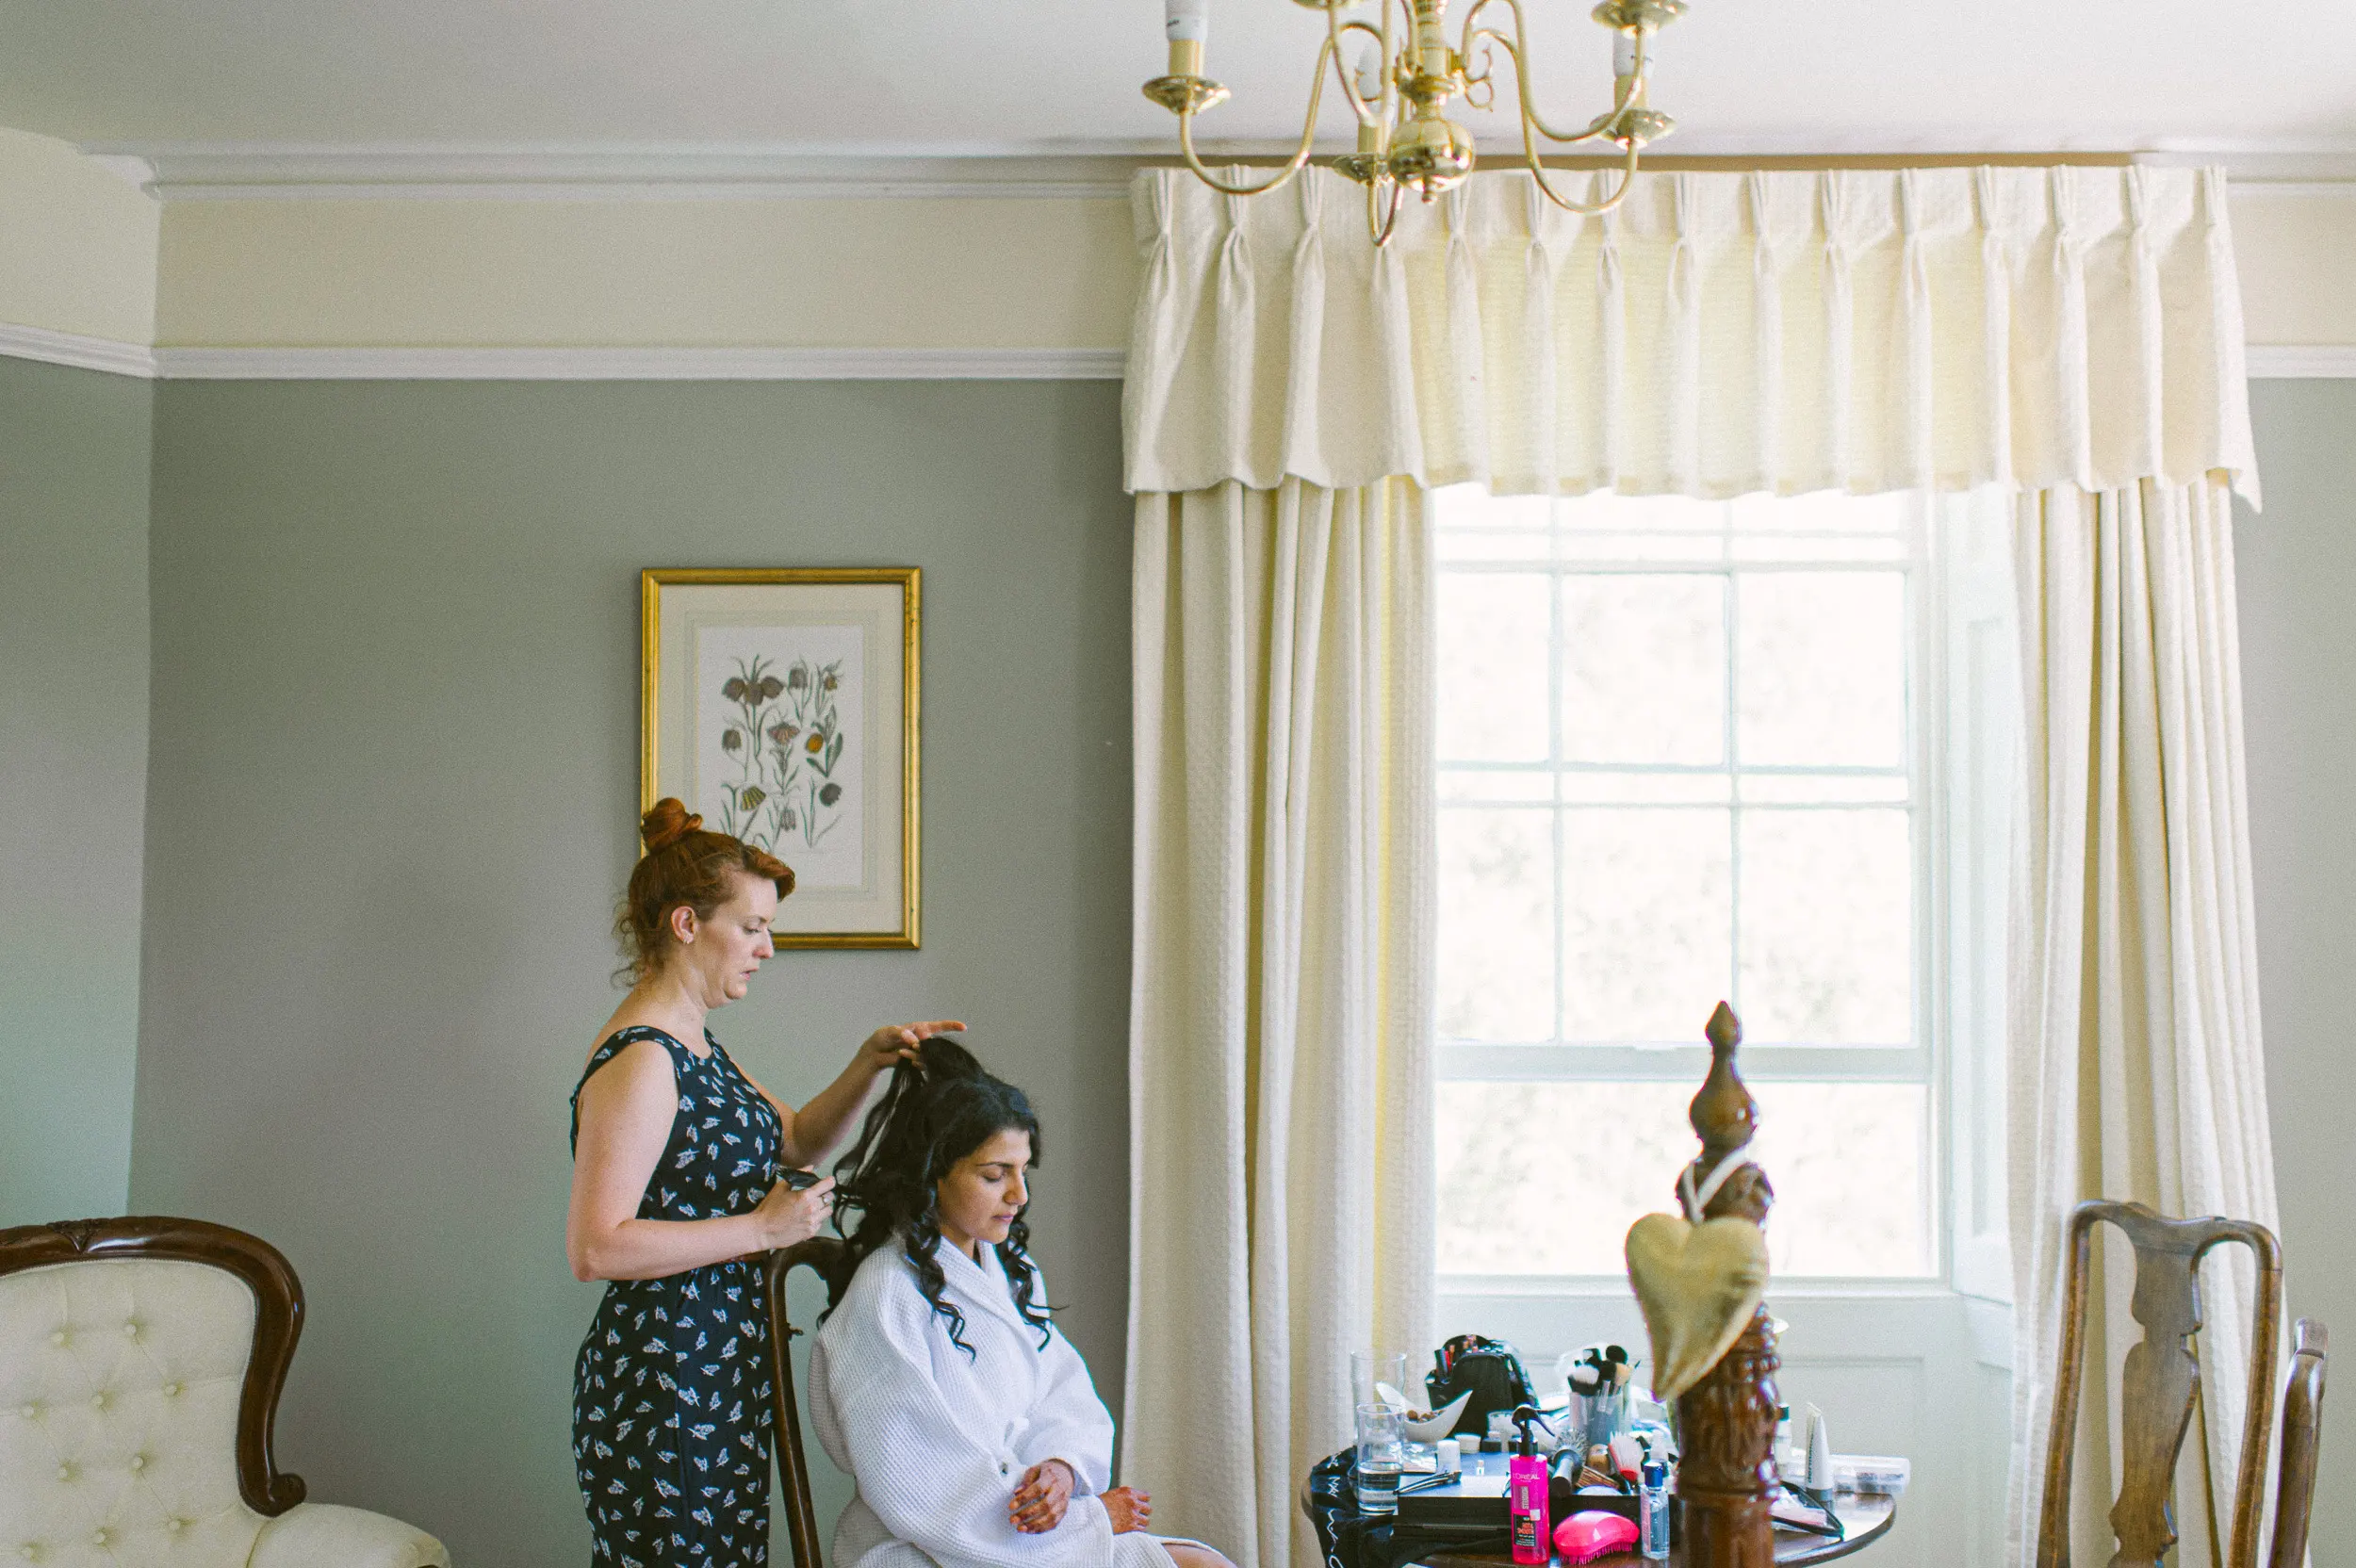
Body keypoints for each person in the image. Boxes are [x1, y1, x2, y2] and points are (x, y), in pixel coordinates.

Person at [566, 797, 963, 1568]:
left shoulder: (697, 1047)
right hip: (665, 1376)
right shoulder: (645, 1060)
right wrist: (761, 1230)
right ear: (687, 924)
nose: (767, 949)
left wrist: (869, 1061)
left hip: (718, 1364)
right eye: (752, 928)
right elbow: (595, 1247)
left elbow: (796, 1142)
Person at [810, 1037, 1235, 1568]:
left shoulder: (1010, 1272)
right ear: (932, 1173)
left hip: (1024, 1531)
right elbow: (920, 1485)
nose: (1020, 1195)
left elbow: (1062, 1393)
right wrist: (1091, 1519)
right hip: (930, 1548)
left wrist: (1060, 1471)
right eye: (995, 1175)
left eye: (1023, 1171)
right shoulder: (885, 1298)